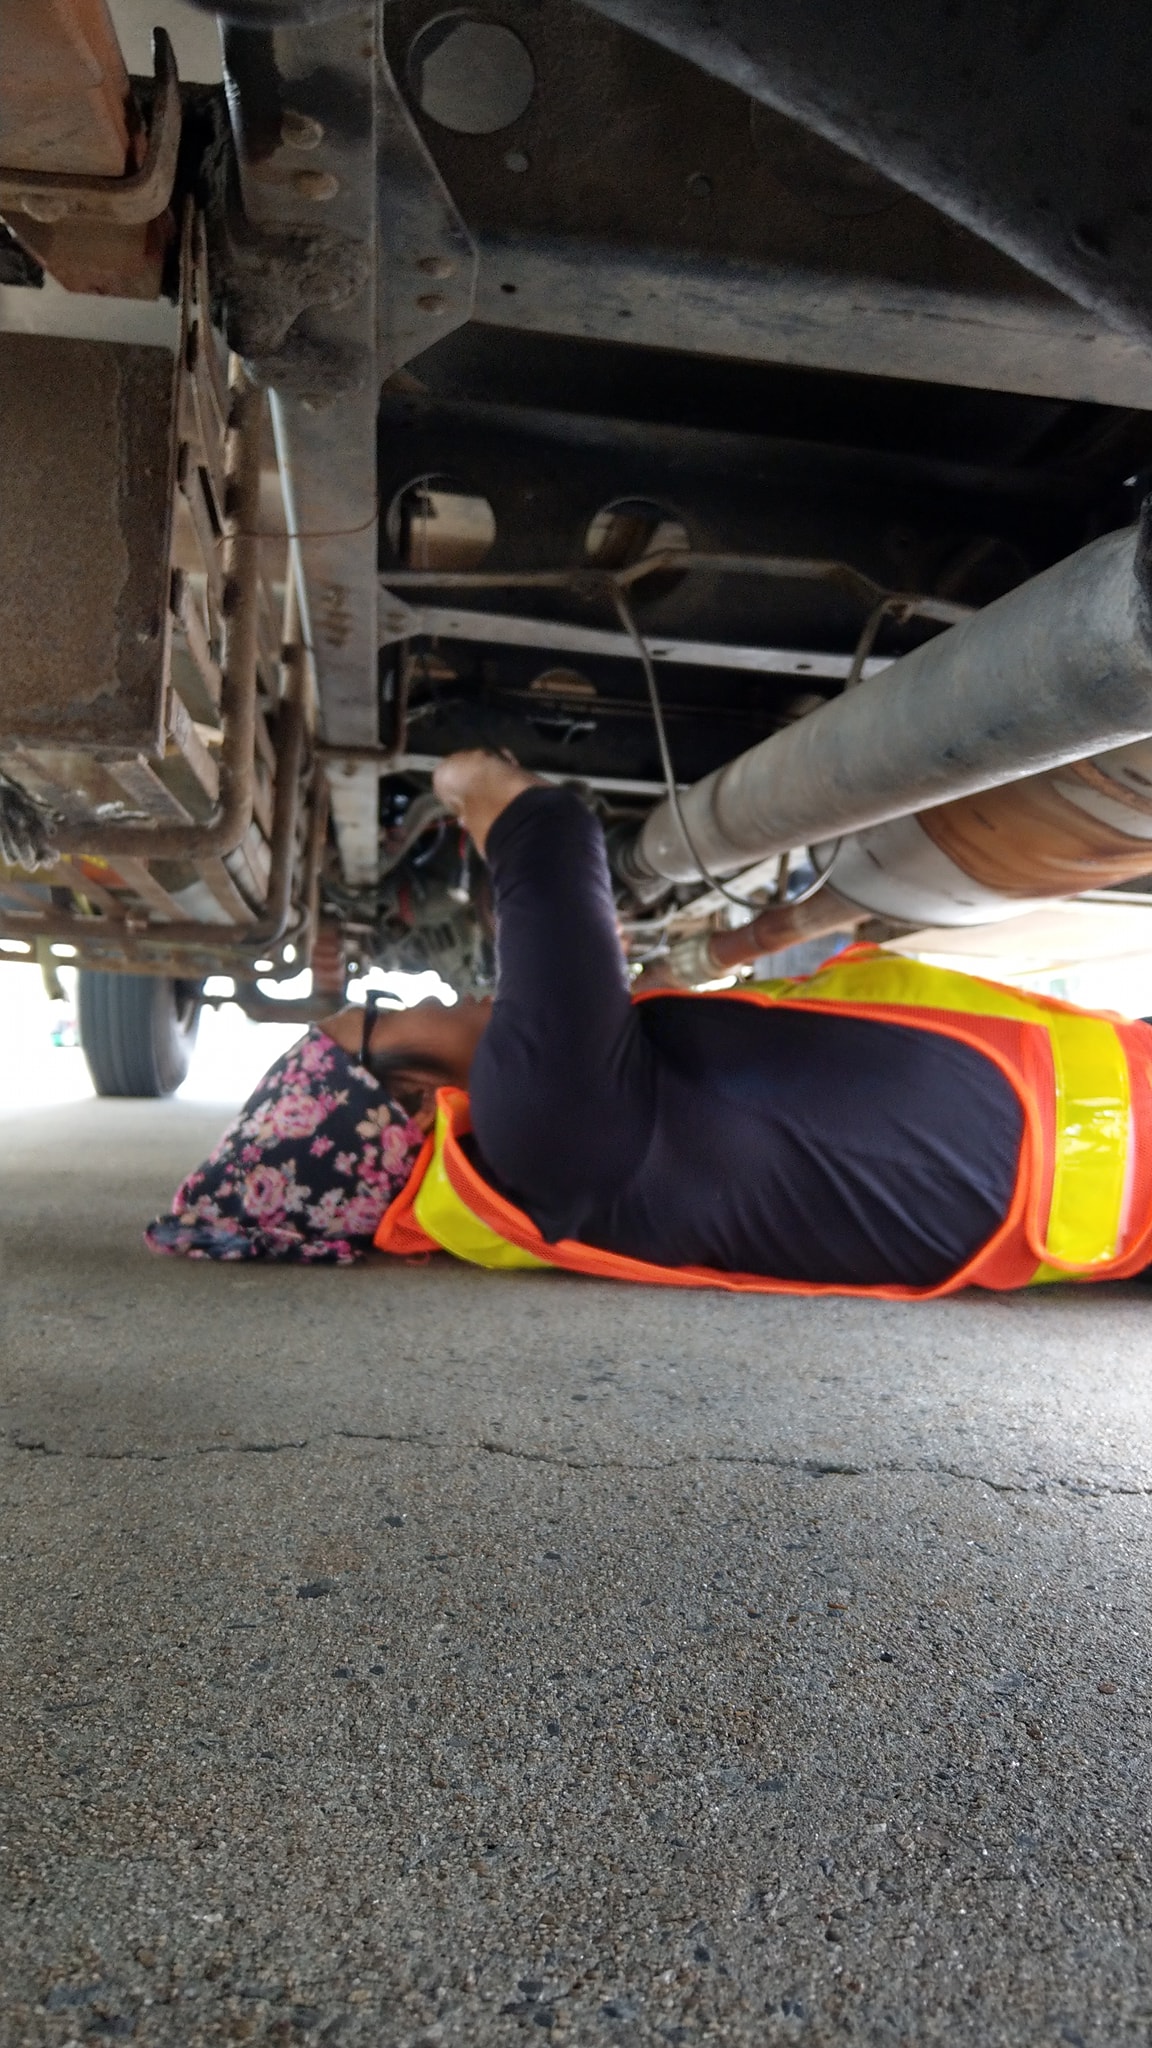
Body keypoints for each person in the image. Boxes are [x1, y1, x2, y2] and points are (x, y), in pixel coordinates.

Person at [147, 749, 1152, 1295]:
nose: (416, 995)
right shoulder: (540, 1124)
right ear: (399, 1095)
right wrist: (472, 783)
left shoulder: (554, 1153)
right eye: (380, 1014)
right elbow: (551, 835)